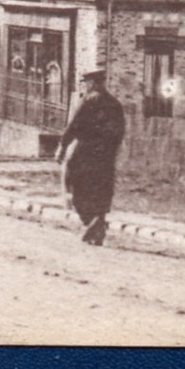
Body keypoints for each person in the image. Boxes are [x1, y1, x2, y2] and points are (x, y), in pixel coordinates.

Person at [57, 67, 126, 246]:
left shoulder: (89, 101)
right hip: (106, 154)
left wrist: (63, 146)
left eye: (87, 82)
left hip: (86, 151)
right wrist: (111, 150)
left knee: (76, 182)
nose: (86, 86)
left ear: (93, 83)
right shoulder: (115, 104)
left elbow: (74, 125)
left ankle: (92, 221)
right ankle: (99, 220)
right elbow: (120, 132)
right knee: (101, 187)